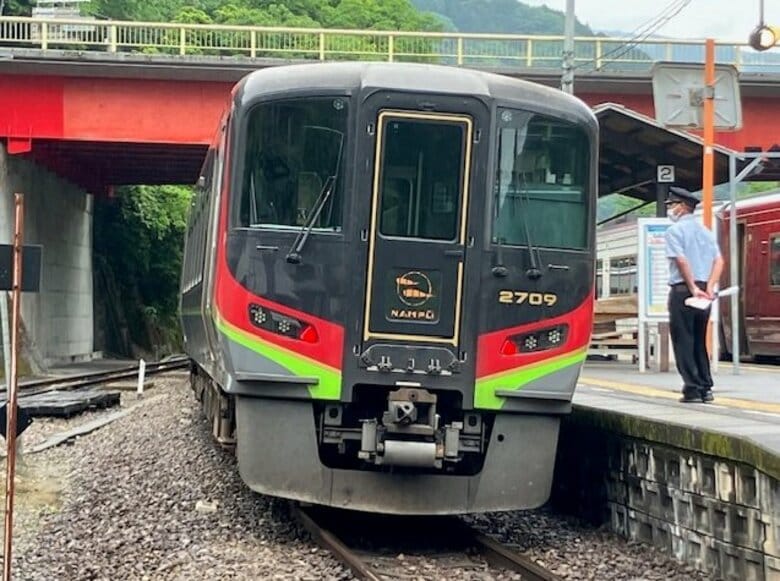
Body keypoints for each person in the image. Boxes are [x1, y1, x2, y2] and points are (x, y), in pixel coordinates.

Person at [664, 187, 724, 403]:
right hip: (704, 293)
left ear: (681, 206)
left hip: (684, 292)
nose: (670, 209)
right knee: (699, 340)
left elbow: (681, 260)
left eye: (672, 205)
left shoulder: (674, 231)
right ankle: (706, 388)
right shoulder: (706, 232)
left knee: (684, 340)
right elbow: (719, 261)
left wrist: (692, 288)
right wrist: (709, 287)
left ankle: (692, 388)